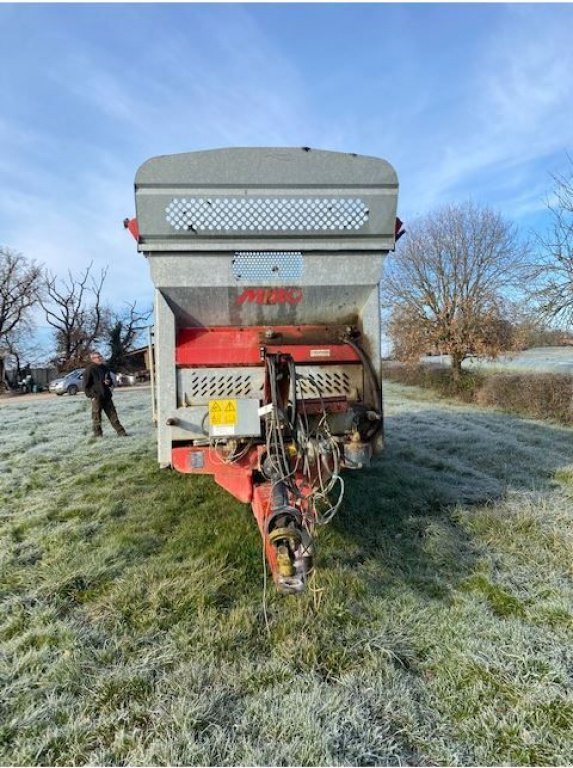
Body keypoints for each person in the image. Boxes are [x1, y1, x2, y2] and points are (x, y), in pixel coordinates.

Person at [84, 351, 128, 438]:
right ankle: (98, 435)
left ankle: (121, 433)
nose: (100, 358)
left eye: (100, 356)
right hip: (96, 397)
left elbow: (110, 381)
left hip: (106, 395)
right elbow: (85, 386)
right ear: (93, 359)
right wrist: (92, 396)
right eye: (98, 357)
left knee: (113, 415)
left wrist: (108, 382)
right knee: (96, 417)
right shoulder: (89, 369)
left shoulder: (104, 367)